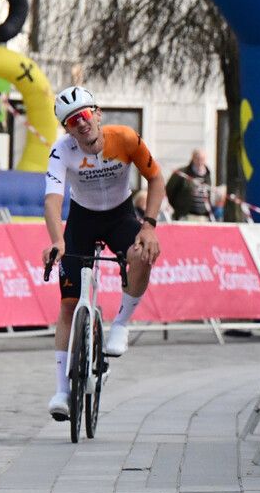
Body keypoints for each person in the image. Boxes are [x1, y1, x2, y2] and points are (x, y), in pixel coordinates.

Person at [41, 85, 166, 421]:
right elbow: (52, 201)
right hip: (82, 220)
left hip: (120, 215)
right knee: (68, 304)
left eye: (83, 115)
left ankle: (121, 324)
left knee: (142, 254)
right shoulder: (61, 151)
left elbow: (156, 179)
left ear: (97, 113)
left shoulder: (125, 138)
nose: (80, 124)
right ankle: (62, 391)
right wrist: (57, 240)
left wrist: (149, 226)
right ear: (66, 130)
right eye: (71, 122)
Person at [165, 149, 213, 221]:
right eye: (198, 159)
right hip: (185, 215)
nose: (200, 162)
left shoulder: (207, 174)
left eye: (202, 159)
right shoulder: (181, 173)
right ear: (193, 158)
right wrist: (178, 208)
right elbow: (169, 190)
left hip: (203, 216)